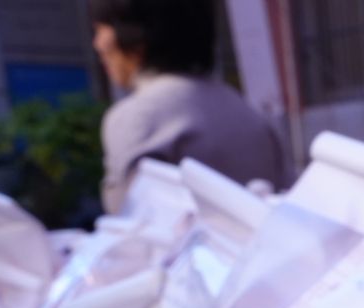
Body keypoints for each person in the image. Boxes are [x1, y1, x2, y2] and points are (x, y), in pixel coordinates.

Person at [90, 0, 288, 211]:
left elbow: (135, 219)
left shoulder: (138, 116)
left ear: (134, 33)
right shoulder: (247, 113)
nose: (98, 44)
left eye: (102, 29)